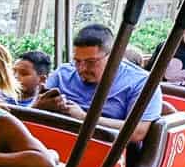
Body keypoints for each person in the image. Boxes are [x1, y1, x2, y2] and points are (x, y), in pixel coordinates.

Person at [32, 23, 162, 143]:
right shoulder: (63, 74)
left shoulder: (141, 82)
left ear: (113, 57)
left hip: (109, 153)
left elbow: (137, 132)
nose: (82, 69)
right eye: (77, 61)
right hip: (55, 143)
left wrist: (83, 117)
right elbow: (31, 111)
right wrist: (39, 106)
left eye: (91, 62)